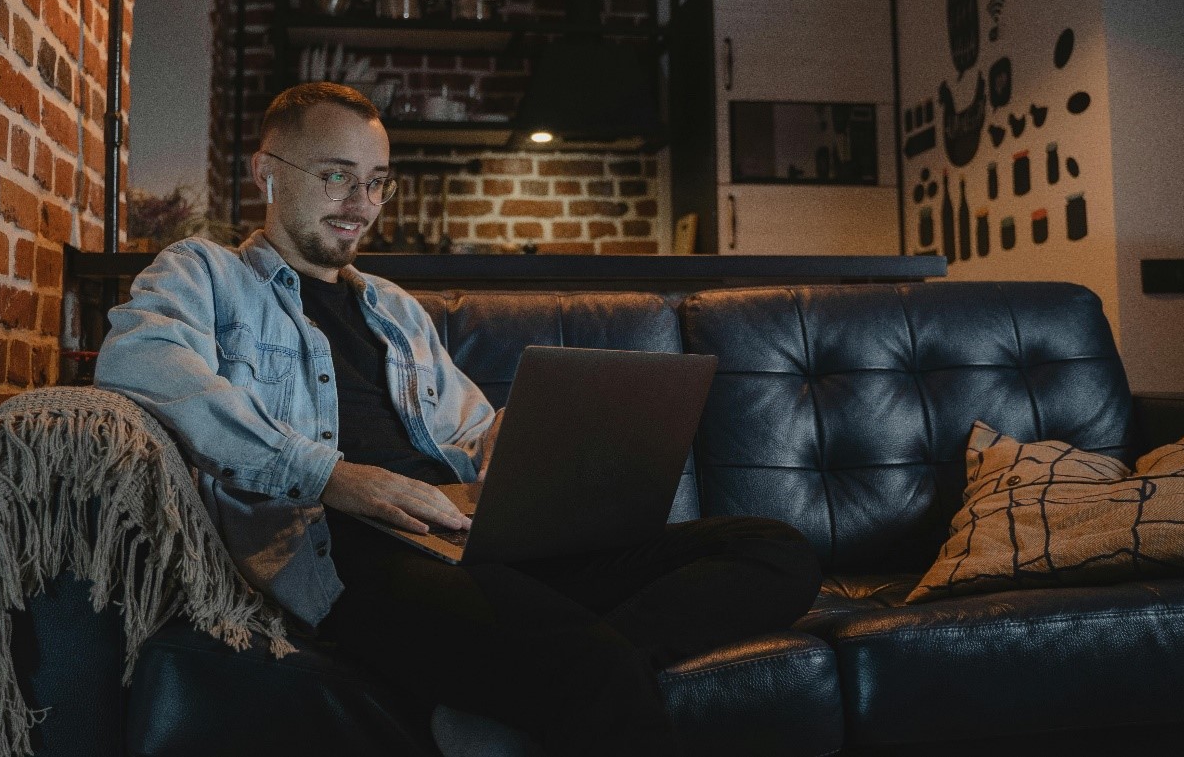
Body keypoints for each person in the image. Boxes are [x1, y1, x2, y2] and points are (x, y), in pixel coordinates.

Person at [96, 82, 822, 756]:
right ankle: (557, 673)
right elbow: (140, 362)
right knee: (588, 662)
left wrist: (510, 443)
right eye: (337, 175)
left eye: (377, 180)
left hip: (473, 540)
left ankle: (511, 691)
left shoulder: (394, 307)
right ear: (267, 171)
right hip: (355, 558)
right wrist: (334, 476)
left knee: (775, 551)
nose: (361, 202)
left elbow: (470, 429)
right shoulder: (204, 273)